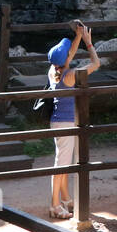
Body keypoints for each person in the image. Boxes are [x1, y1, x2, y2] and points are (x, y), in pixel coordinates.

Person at [47, 21, 99, 220]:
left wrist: (78, 36)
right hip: (66, 124)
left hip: (57, 122)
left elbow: (68, 55)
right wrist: (89, 43)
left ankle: (66, 198)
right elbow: (96, 64)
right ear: (67, 59)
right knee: (60, 166)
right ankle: (54, 205)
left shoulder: (53, 71)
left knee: (63, 163)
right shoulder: (70, 76)